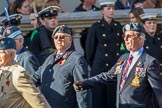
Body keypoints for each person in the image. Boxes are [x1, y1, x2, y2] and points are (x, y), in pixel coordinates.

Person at [73, 23, 162, 108]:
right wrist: (84, 83)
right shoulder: (123, 59)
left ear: (140, 38)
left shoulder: (150, 62)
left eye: (129, 36)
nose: (125, 39)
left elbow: (158, 92)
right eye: (124, 36)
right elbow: (108, 76)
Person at [32, 25, 91, 108]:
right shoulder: (49, 59)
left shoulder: (76, 59)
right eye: (55, 37)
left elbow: (83, 91)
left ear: (70, 40)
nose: (58, 40)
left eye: (62, 37)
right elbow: (34, 79)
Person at [85, 0, 124, 108]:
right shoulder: (96, 27)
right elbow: (89, 50)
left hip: (114, 66)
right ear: (102, 11)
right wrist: (95, 64)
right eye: (108, 9)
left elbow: (121, 46)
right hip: (99, 67)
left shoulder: (118, 26)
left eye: (113, 8)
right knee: (99, 99)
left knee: (113, 99)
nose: (111, 11)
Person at [0, 37, 50, 108]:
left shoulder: (18, 74)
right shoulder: (3, 71)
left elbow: (38, 101)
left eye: (1, 53)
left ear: (11, 54)